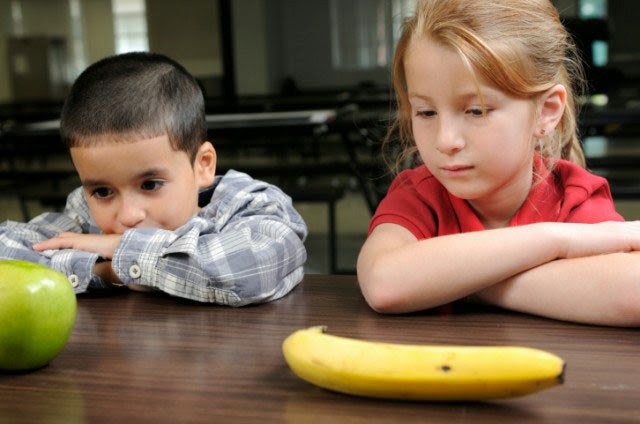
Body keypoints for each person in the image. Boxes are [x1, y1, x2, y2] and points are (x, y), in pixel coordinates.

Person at [357, 0, 640, 326]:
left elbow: (632, 291)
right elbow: (384, 284)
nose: (445, 140)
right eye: (426, 112)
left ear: (547, 112)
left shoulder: (574, 196)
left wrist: (451, 282)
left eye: (476, 111)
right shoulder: (418, 195)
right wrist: (555, 239)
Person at [0, 52, 308, 306]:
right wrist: (109, 269)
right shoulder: (84, 209)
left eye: (150, 185)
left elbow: (253, 269)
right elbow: (6, 249)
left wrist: (116, 257)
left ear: (202, 166)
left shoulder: (250, 204)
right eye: (103, 191)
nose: (129, 216)